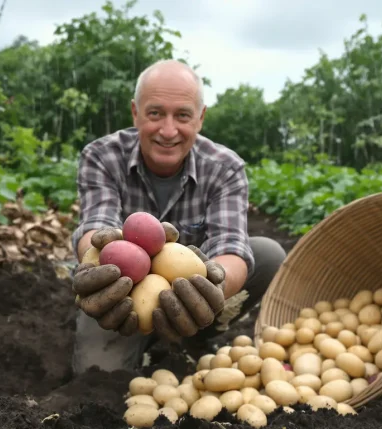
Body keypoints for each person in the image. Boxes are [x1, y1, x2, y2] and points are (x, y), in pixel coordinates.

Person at [69, 59, 287, 375]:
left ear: (200, 118)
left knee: (267, 255)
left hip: (186, 298)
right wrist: (98, 262)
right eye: (155, 113)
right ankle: (136, 338)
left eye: (182, 115)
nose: (168, 131)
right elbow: (95, 226)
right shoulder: (102, 156)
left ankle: (192, 335)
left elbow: (231, 245)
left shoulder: (225, 167)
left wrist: (211, 289)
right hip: (123, 299)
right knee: (96, 376)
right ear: (135, 112)